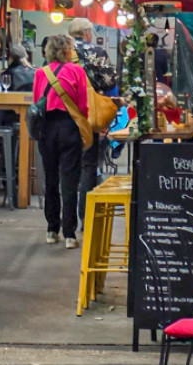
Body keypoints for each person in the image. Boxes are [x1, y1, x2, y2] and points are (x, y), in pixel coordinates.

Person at [32, 34, 90, 248]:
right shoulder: (77, 71)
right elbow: (83, 105)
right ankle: (69, 234)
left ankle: (51, 229)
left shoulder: (40, 73)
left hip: (47, 129)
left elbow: (36, 102)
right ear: (68, 50)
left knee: (50, 179)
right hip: (69, 128)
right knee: (70, 181)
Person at [68, 16, 116, 208]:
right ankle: (85, 213)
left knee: (67, 165)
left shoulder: (61, 50)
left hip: (63, 112)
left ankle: (67, 217)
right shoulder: (96, 52)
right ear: (87, 33)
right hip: (88, 114)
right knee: (88, 164)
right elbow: (109, 83)